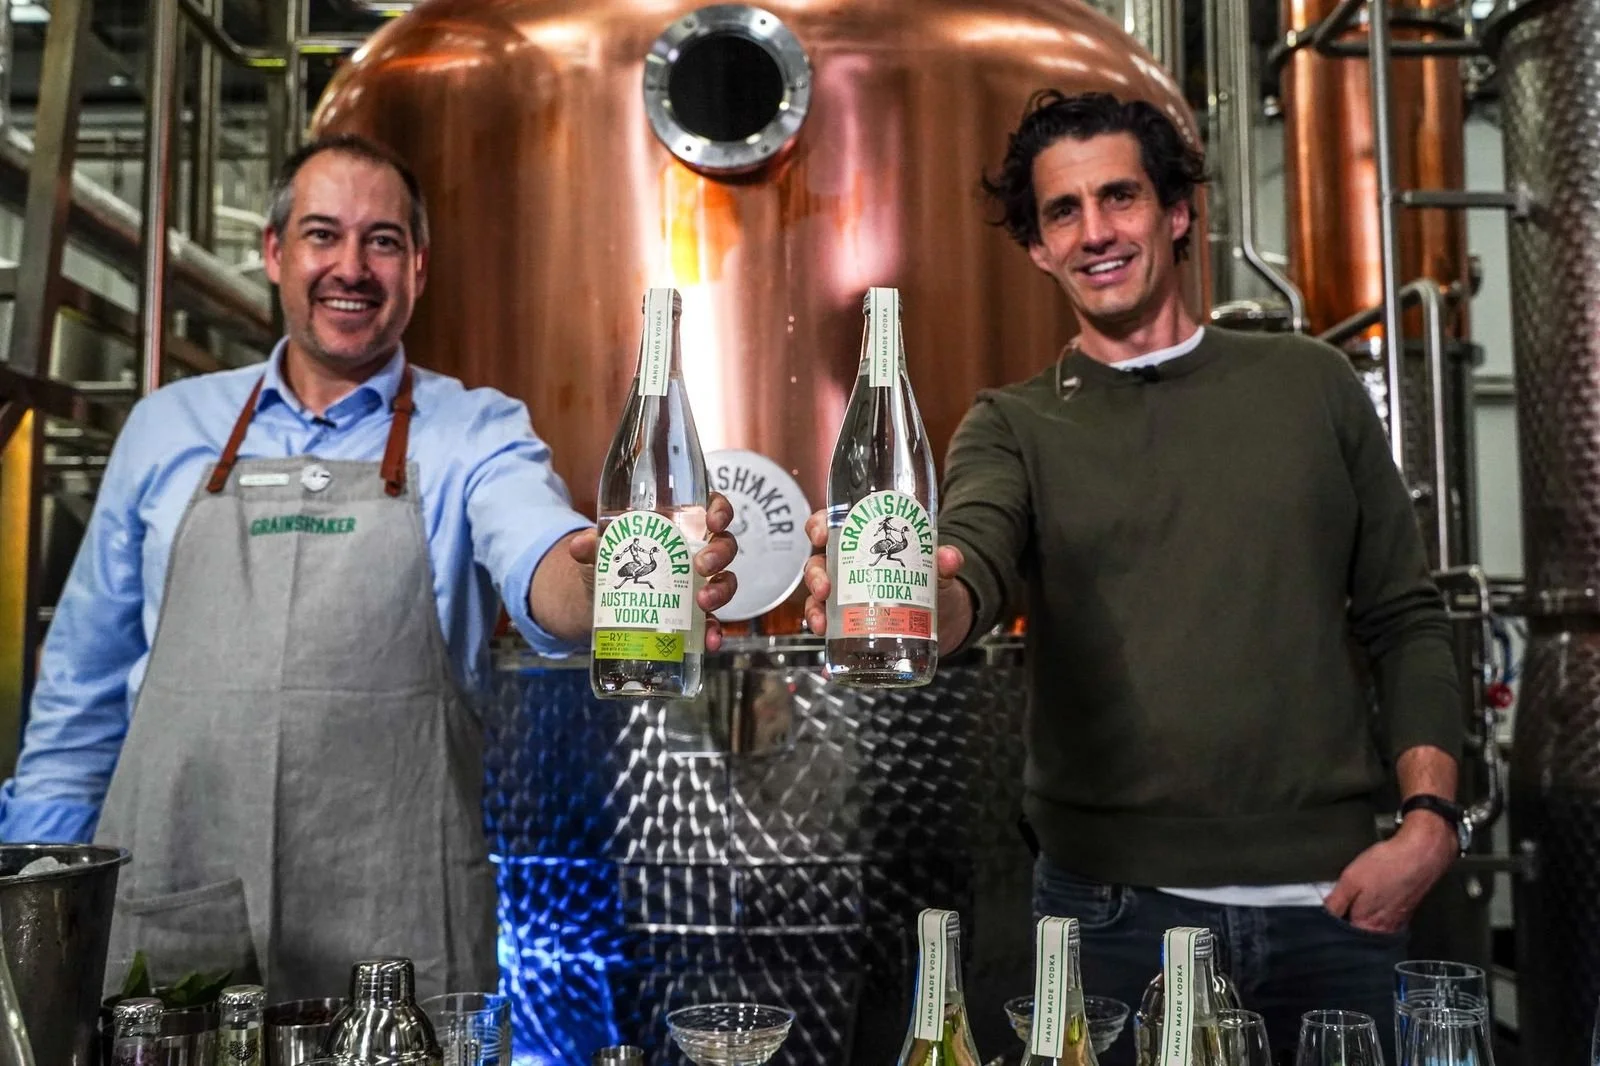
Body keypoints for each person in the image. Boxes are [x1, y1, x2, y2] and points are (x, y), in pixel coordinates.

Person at [801, 91, 1465, 1064]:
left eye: (1119, 197)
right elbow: (969, 564)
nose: (1095, 232)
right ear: (1035, 245)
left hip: (1337, 908)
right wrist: (906, 598)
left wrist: (1429, 826)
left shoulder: (1309, 384)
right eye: (1062, 212)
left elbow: (1405, 617)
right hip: (1110, 921)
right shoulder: (1014, 424)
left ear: (1178, 211)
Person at [0, 133, 740, 1000]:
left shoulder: (477, 430)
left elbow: (542, 553)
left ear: (418, 267)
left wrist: (614, 584)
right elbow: (77, 707)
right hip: (172, 921)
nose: (351, 266)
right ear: (275, 252)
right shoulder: (168, 426)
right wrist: (31, 930)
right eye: (322, 235)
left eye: (382, 241)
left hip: (401, 932)